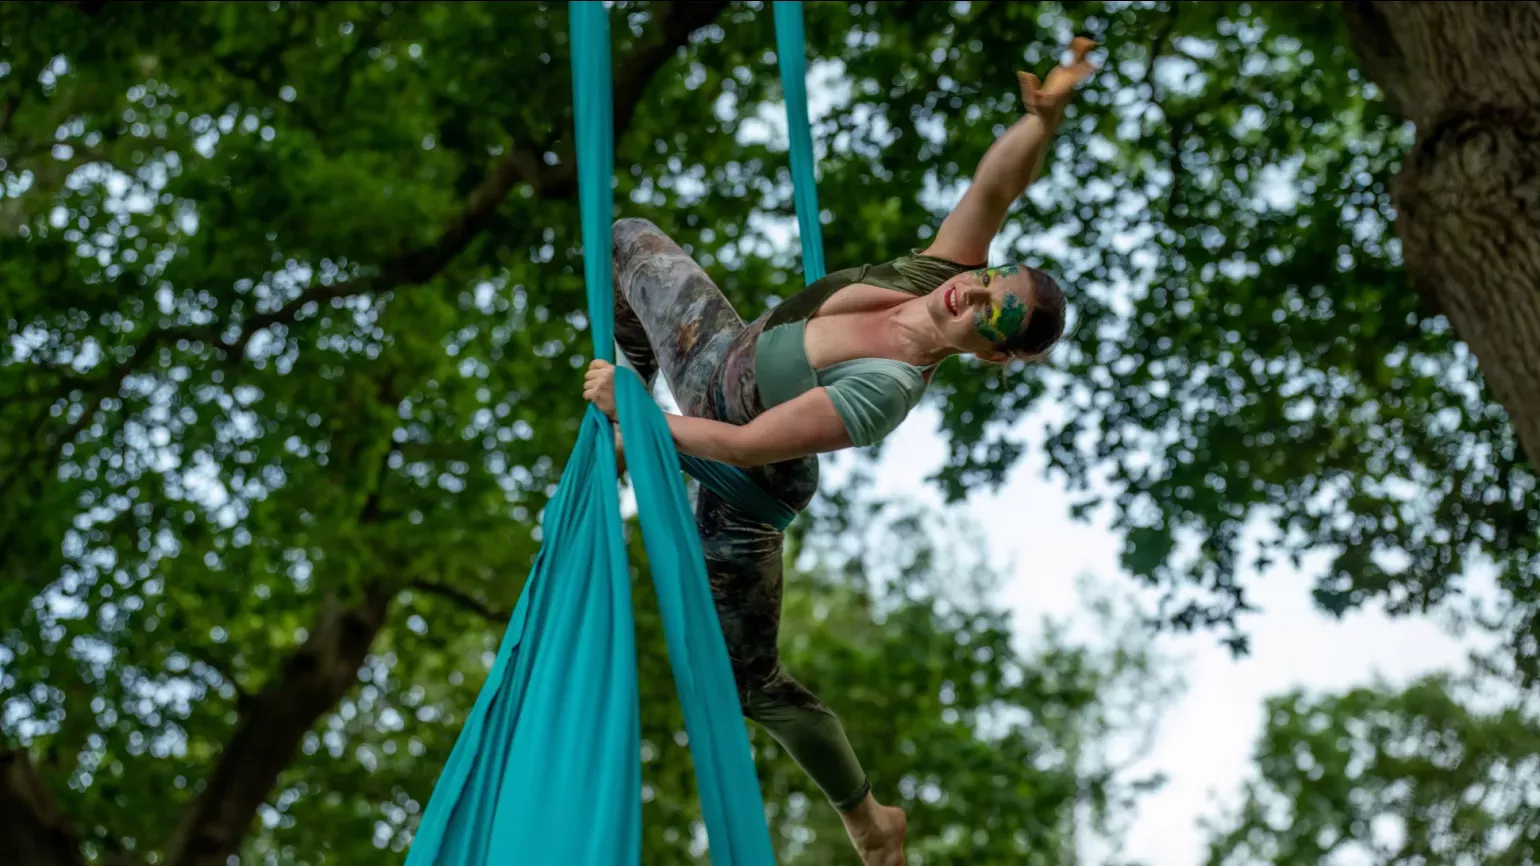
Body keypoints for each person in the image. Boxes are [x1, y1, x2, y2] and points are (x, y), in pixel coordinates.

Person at [583, 38, 1096, 866]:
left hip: (743, 487)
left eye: (993, 314)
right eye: (994, 278)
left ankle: (868, 818)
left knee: (746, 680)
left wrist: (640, 426)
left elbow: (746, 445)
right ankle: (625, 394)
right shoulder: (929, 272)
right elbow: (992, 188)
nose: (975, 293)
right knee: (625, 240)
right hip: (713, 355)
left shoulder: (885, 389)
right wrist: (1042, 121)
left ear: (994, 352)